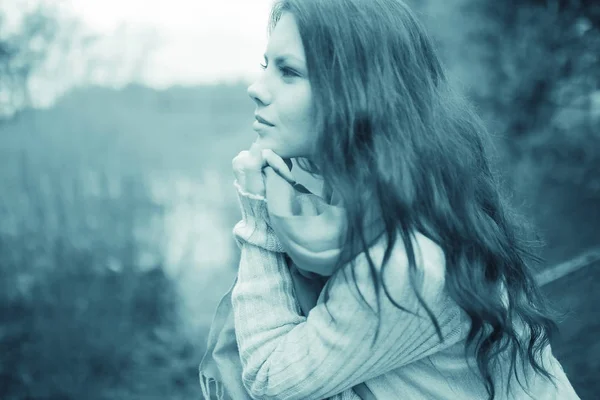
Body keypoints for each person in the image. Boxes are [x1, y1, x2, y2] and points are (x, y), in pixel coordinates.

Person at [199, 0, 581, 399]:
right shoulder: (383, 205)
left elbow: (269, 378)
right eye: (266, 66)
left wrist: (259, 216)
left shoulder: (408, 260)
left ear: (358, 94)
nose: (256, 89)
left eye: (290, 72)